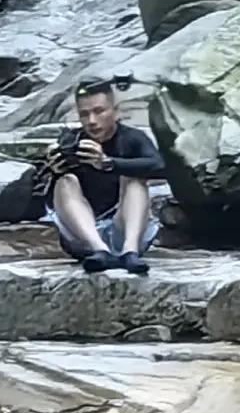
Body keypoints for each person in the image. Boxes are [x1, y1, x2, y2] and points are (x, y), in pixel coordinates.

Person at [42, 78, 168, 275]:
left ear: (116, 111)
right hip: (84, 238)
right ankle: (100, 249)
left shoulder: (133, 138)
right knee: (66, 181)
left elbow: (159, 166)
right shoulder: (72, 141)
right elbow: (51, 196)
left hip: (125, 229)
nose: (92, 121)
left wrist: (108, 163)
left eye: (99, 111)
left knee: (134, 178)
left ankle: (130, 252)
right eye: (84, 114)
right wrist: (55, 169)